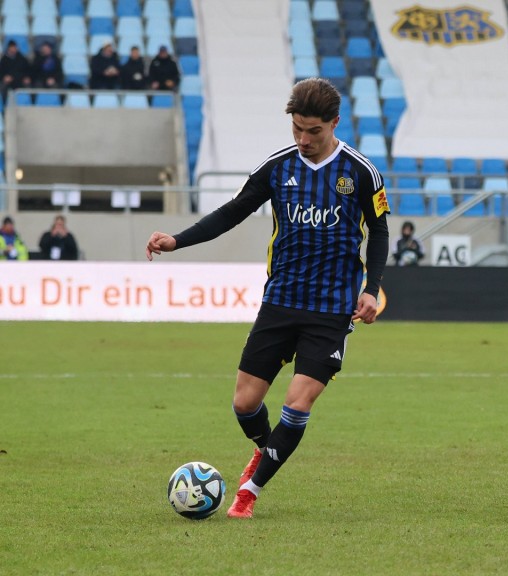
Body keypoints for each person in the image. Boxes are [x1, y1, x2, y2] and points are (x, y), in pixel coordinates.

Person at [144, 77, 390, 519]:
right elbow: (232, 212)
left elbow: (380, 231)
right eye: (297, 128)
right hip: (280, 302)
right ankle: (266, 449)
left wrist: (370, 290)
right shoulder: (278, 167)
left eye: (314, 131)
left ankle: (247, 494)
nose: (304, 139)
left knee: (298, 401)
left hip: (332, 310)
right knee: (244, 403)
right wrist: (176, 241)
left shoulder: (360, 171)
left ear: (334, 123)